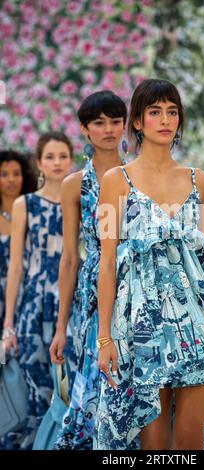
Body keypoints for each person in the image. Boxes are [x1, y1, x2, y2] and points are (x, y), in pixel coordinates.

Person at [94, 78, 204, 450]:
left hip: (198, 330)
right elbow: (107, 265)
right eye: (155, 112)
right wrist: (105, 339)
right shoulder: (115, 181)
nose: (165, 120)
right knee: (153, 447)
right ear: (137, 121)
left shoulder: (198, 181)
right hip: (142, 332)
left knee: (190, 445)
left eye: (172, 112)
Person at [50, 91, 127, 449]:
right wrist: (61, 326)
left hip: (140, 287)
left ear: (126, 124)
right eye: (99, 122)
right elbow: (70, 257)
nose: (109, 129)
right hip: (94, 294)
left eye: (115, 120)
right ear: (85, 129)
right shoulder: (74, 184)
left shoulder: (139, 174)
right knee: (95, 389)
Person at [2, 132, 76, 450]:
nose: (57, 163)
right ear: (39, 162)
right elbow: (16, 267)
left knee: (71, 383)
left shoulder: (84, 196)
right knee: (36, 384)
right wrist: (8, 324)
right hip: (33, 305)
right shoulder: (25, 204)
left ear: (71, 159)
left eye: (63, 156)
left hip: (73, 301)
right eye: (50, 157)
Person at [0, 150, 36, 333]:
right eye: (4, 174)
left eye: (16, 174)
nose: (11, 180)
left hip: (29, 294)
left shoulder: (36, 214)